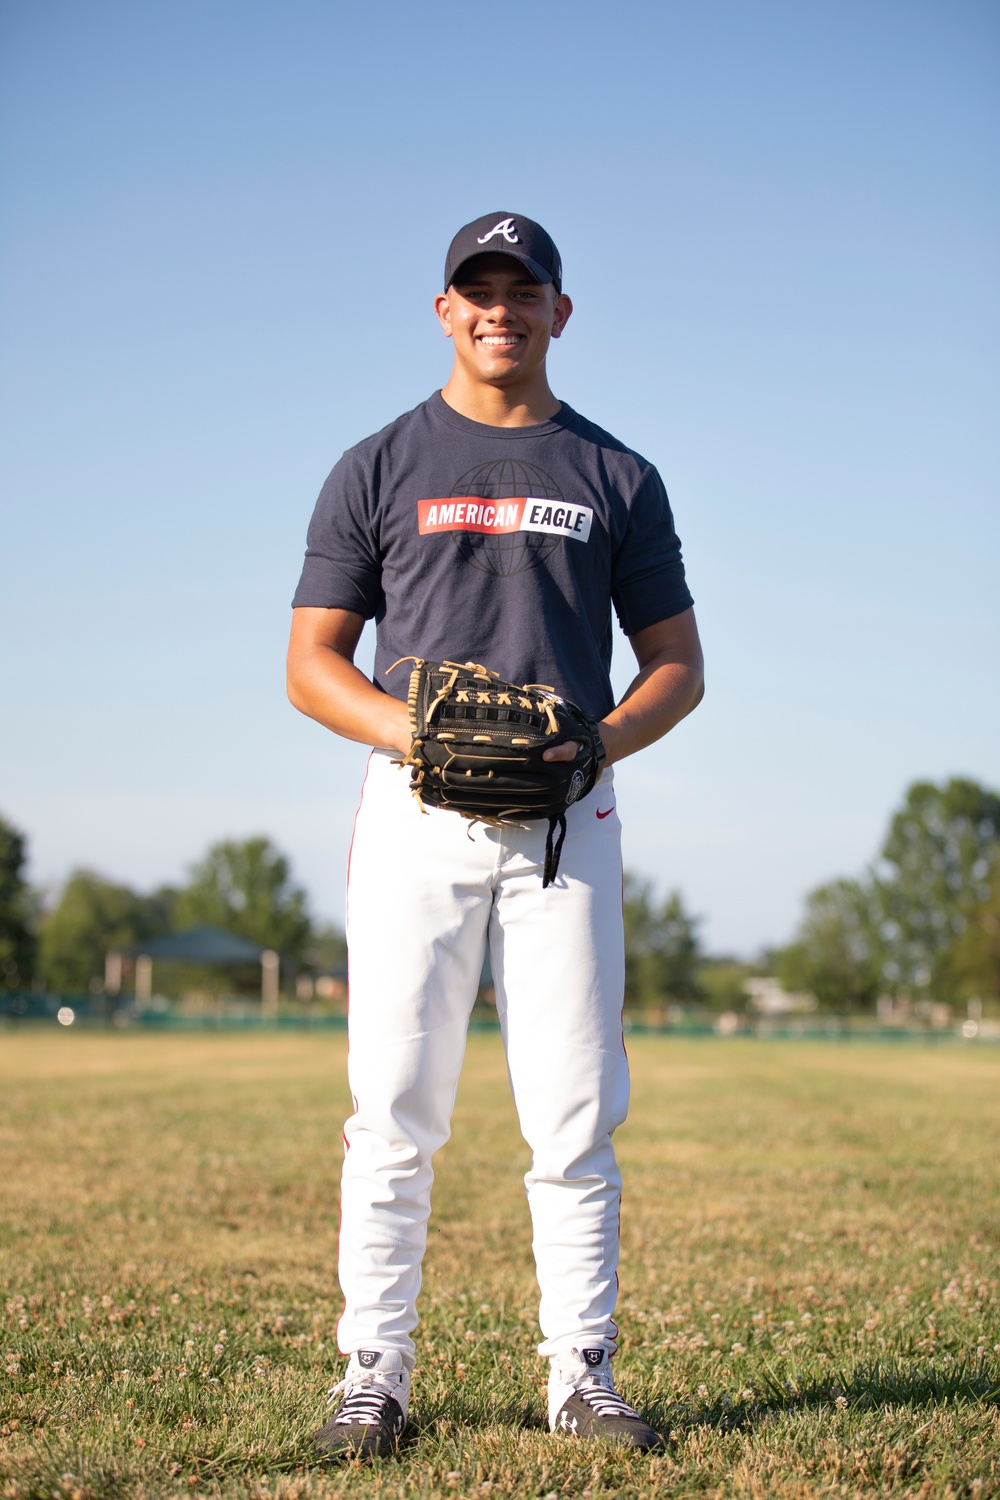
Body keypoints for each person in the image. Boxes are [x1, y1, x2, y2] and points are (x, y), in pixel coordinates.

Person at [286, 210, 704, 1459]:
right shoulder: (376, 464)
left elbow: (677, 667)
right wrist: (419, 733)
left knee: (575, 1115)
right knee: (392, 1110)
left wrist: (595, 745)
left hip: (570, 823)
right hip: (415, 815)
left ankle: (579, 1371)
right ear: (442, 308)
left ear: (559, 313)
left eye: (523, 290)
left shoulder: (617, 474)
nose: (498, 308)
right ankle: (375, 1372)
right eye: (477, 288)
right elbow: (312, 666)